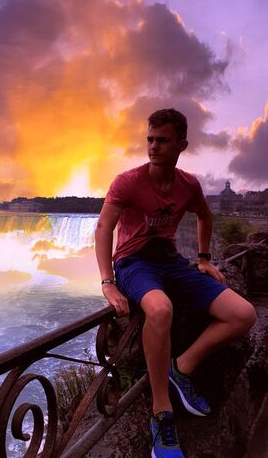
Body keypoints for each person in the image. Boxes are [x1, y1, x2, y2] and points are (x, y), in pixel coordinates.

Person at [95, 108, 256, 458]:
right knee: (160, 308)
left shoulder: (188, 185)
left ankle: (181, 367)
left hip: (171, 261)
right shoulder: (128, 181)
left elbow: (204, 215)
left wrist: (204, 258)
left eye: (163, 140)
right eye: (150, 139)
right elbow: (104, 227)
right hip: (134, 262)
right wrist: (108, 281)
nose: (153, 146)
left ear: (182, 144)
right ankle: (161, 411)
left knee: (244, 314)